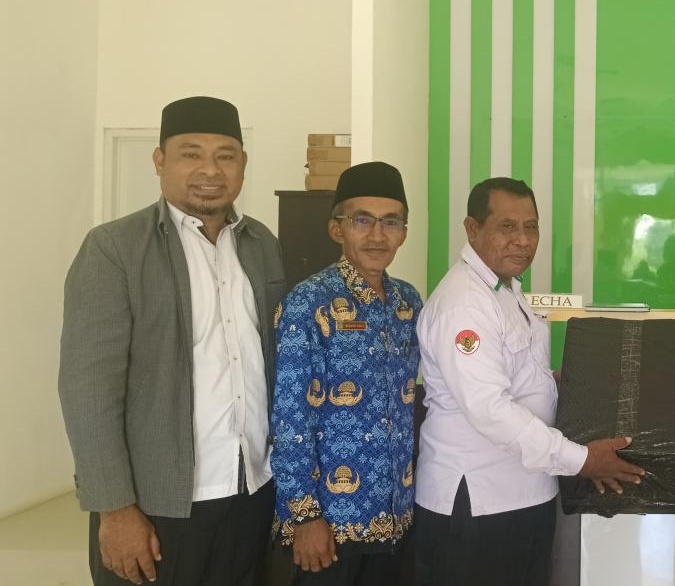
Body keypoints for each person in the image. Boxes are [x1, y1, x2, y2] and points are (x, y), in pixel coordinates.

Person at [59, 96, 286, 586]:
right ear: (160, 160)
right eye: (191, 153)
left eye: (225, 155)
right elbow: (88, 391)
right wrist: (115, 508)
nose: (210, 170)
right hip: (157, 505)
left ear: (243, 163)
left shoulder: (261, 244)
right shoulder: (115, 249)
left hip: (251, 491)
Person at [413, 177, 644, 586]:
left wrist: (578, 382)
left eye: (531, 227)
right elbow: (491, 410)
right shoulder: (465, 304)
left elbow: (521, 380)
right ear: (472, 228)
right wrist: (582, 460)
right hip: (479, 503)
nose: (522, 240)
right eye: (507, 227)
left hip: (527, 494)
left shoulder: (505, 290)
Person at [269, 162, 422, 585]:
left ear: (404, 232)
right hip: (328, 524)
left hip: (395, 516)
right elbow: (289, 416)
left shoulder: (407, 302)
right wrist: (305, 515)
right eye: (362, 220)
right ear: (337, 229)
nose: (377, 235)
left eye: (390, 222)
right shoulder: (309, 304)